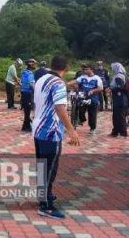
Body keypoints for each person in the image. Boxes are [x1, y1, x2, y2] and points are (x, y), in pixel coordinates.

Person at [32, 55, 80, 219]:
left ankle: (43, 195)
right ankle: (46, 206)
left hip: (38, 129)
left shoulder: (41, 79)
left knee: (41, 165)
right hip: (51, 131)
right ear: (66, 68)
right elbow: (60, 107)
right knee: (50, 168)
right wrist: (71, 130)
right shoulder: (58, 83)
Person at [75, 64, 103, 134]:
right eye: (85, 69)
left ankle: (92, 128)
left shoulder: (97, 78)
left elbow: (101, 88)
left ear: (91, 70)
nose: (85, 70)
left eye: (87, 69)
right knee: (80, 110)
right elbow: (75, 81)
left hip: (93, 99)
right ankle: (82, 120)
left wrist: (93, 90)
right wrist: (67, 84)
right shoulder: (83, 77)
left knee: (92, 114)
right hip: (83, 97)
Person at [109, 62, 129, 137]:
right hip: (121, 98)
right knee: (118, 116)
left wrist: (111, 89)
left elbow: (119, 87)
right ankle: (116, 131)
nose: (112, 69)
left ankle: (122, 132)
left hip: (119, 99)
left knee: (119, 116)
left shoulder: (118, 76)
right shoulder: (122, 75)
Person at [20, 59, 36, 132]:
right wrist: (36, 90)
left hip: (23, 92)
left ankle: (25, 126)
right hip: (28, 93)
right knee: (28, 110)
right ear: (30, 65)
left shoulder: (23, 72)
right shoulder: (29, 73)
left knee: (26, 110)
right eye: (34, 64)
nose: (34, 66)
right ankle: (26, 127)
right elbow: (31, 84)